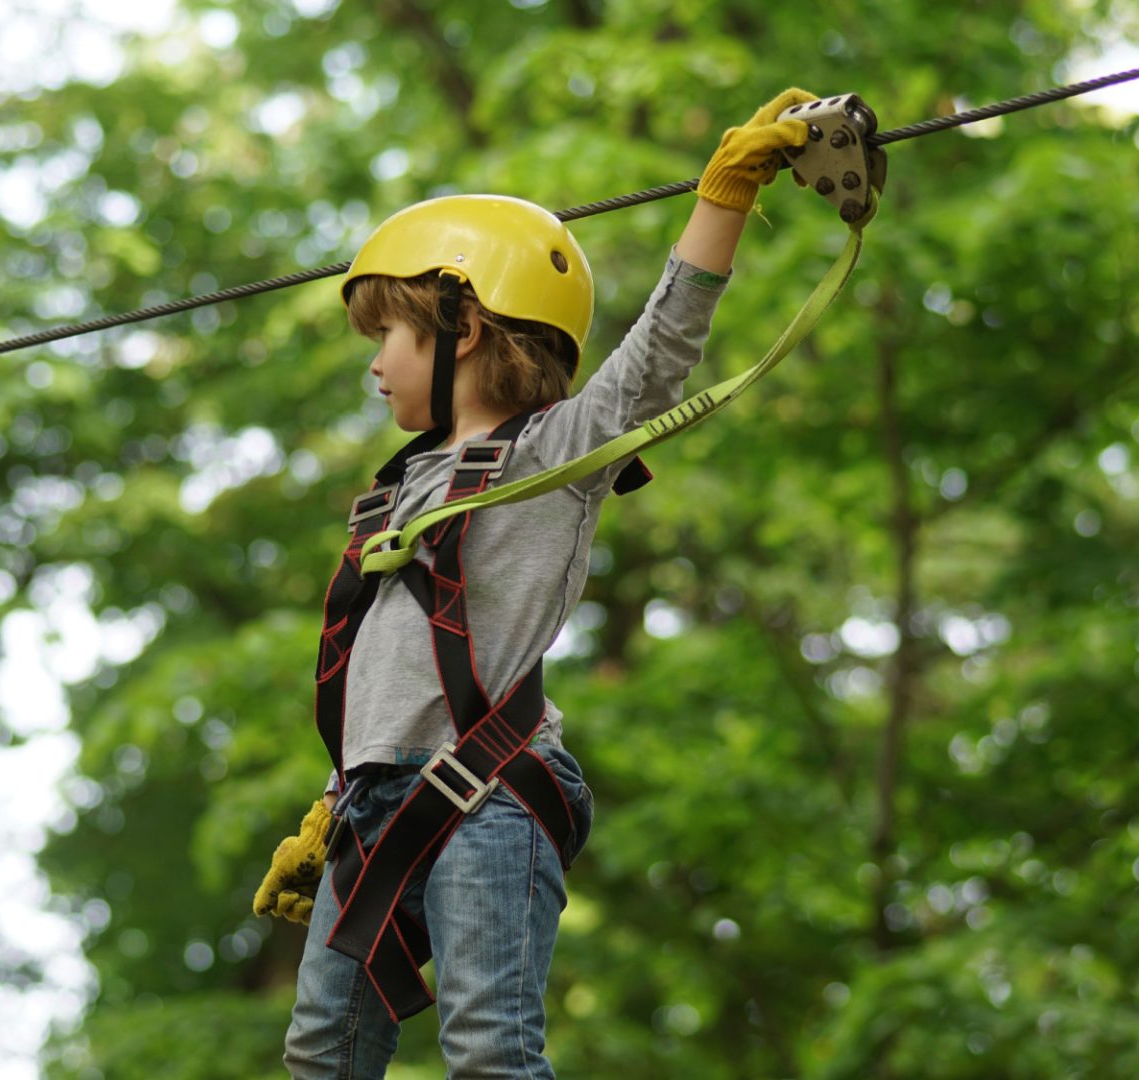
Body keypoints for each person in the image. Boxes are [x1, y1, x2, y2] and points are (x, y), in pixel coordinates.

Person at [254, 87, 820, 1078]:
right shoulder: (397, 488)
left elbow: (657, 358)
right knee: (320, 1057)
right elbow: (399, 662)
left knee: (488, 1054)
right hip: (371, 807)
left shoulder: (556, 451)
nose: (375, 363)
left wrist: (724, 195)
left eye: (388, 334)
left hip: (487, 798)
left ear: (461, 325)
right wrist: (342, 786)